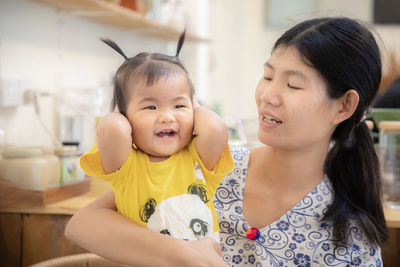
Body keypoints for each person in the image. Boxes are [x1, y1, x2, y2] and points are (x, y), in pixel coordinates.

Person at [65, 17, 388, 266]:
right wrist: (182, 254)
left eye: (292, 85)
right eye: (268, 75)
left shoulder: (349, 232)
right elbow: (83, 224)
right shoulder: (213, 166)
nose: (267, 95)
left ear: (344, 106)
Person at [78, 30, 234, 247]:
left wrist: (194, 105)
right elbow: (113, 129)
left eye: (179, 105)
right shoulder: (127, 167)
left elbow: (216, 128)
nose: (167, 116)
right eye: (151, 106)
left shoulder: (198, 159)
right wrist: (118, 115)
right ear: (124, 116)